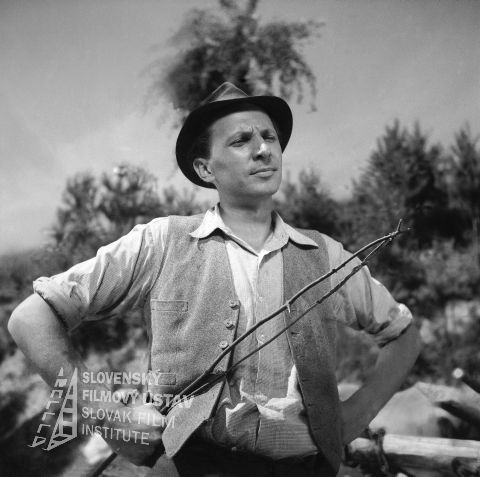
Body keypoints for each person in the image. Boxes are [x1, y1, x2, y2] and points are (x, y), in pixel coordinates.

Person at [9, 82, 421, 476]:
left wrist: (354, 415)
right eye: (241, 140)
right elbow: (30, 319)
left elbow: (403, 335)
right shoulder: (162, 241)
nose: (264, 149)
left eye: (270, 137)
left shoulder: (324, 254)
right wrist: (110, 418)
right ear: (206, 168)